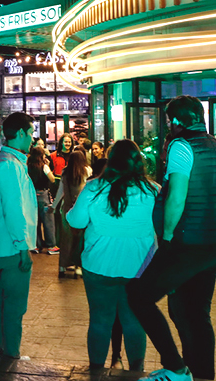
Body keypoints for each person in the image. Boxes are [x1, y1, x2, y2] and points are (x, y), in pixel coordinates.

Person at [126, 95, 216, 381]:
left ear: (177, 121)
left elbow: (177, 197)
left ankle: (176, 366)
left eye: (169, 120)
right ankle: (201, 375)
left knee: (139, 297)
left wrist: (167, 235)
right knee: (192, 312)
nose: (168, 125)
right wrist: (212, 214)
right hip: (215, 244)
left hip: (185, 244)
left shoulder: (181, 146)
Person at [67, 140, 158, 371]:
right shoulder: (154, 191)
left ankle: (96, 370)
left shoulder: (93, 188)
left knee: (99, 320)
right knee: (134, 320)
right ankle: (135, 371)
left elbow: (75, 220)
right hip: (139, 268)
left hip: (98, 265)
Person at [0, 112, 37, 360]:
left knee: (2, 299)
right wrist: (23, 246)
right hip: (11, 245)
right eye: (31, 134)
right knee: (14, 303)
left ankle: (2, 347)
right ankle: (11, 351)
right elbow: (14, 210)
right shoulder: (9, 166)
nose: (32, 140)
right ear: (22, 132)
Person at [50, 150, 90, 278]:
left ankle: (62, 266)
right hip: (81, 208)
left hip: (66, 208)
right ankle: (78, 266)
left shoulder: (65, 172)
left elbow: (60, 191)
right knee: (80, 238)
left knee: (66, 238)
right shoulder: (86, 171)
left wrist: (54, 206)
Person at [27, 146, 58, 254]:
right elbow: (52, 179)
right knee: (48, 221)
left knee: (35, 221)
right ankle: (51, 246)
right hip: (43, 195)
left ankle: (36, 245)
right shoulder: (44, 166)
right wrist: (48, 166)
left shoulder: (28, 166)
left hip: (31, 196)